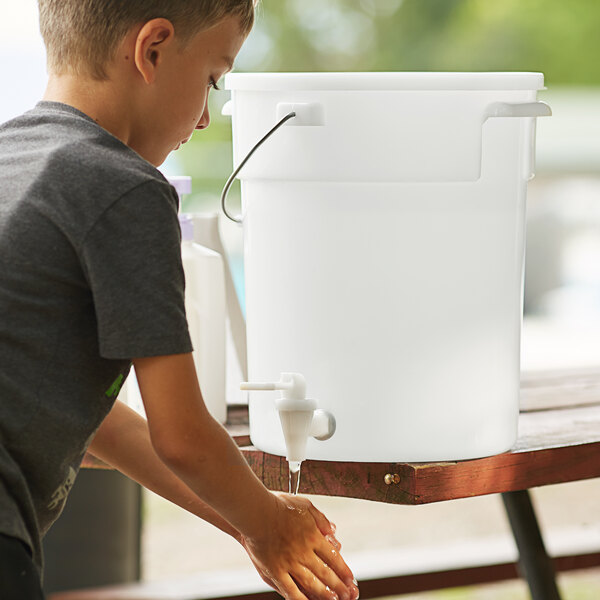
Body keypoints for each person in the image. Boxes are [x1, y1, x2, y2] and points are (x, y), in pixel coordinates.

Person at [0, 2, 360, 599]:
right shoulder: (123, 188)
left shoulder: (12, 161)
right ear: (154, 49)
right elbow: (182, 435)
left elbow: (100, 426)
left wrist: (248, 519)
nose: (202, 120)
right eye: (213, 80)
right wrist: (270, 525)